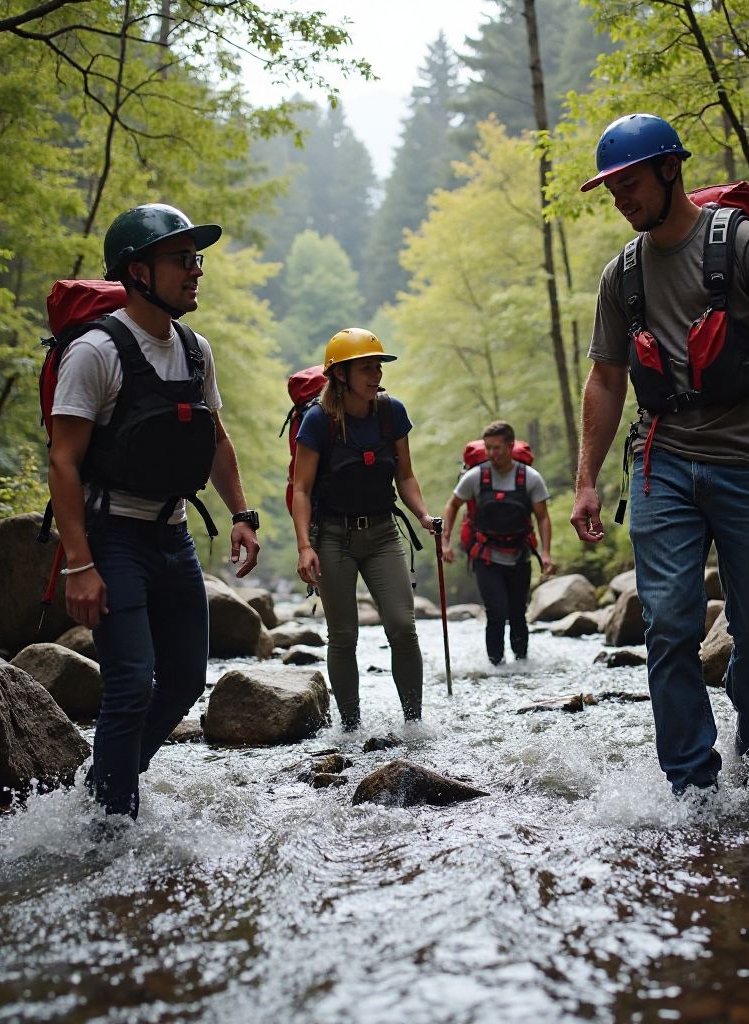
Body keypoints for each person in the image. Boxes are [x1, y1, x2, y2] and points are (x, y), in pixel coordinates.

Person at [570, 114, 749, 797]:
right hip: (662, 465)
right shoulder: (620, 276)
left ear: (669, 170)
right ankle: (693, 791)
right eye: (611, 188)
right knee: (668, 623)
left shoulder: (743, 244)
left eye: (629, 182)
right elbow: (605, 377)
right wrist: (585, 483)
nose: (620, 198)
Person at [48, 203, 261, 820]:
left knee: (187, 681)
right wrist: (79, 565)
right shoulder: (94, 352)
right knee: (131, 685)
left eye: (197, 259)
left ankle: (98, 795)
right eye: (181, 260)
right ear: (137, 271)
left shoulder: (196, 351)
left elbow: (216, 440)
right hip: (111, 539)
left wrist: (242, 512)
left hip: (173, 538)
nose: (196, 271)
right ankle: (111, 831)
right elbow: (63, 461)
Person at [291, 328, 437, 730]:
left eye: (377, 366)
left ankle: (414, 725)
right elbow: (301, 489)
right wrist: (305, 546)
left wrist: (423, 515)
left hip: (383, 533)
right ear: (340, 375)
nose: (375, 375)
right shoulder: (319, 421)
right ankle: (351, 728)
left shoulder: (392, 413)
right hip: (333, 537)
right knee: (343, 635)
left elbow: (405, 476)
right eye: (366, 368)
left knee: (403, 627)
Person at [439, 422, 555, 666]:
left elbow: (543, 517)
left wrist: (545, 553)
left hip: (520, 555)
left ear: (511, 446)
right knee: (496, 611)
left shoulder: (530, 478)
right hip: (486, 556)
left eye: (498, 448)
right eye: (489, 448)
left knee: (517, 613)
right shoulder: (476, 476)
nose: (493, 453)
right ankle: (496, 665)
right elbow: (453, 505)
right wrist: (445, 541)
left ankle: (522, 662)